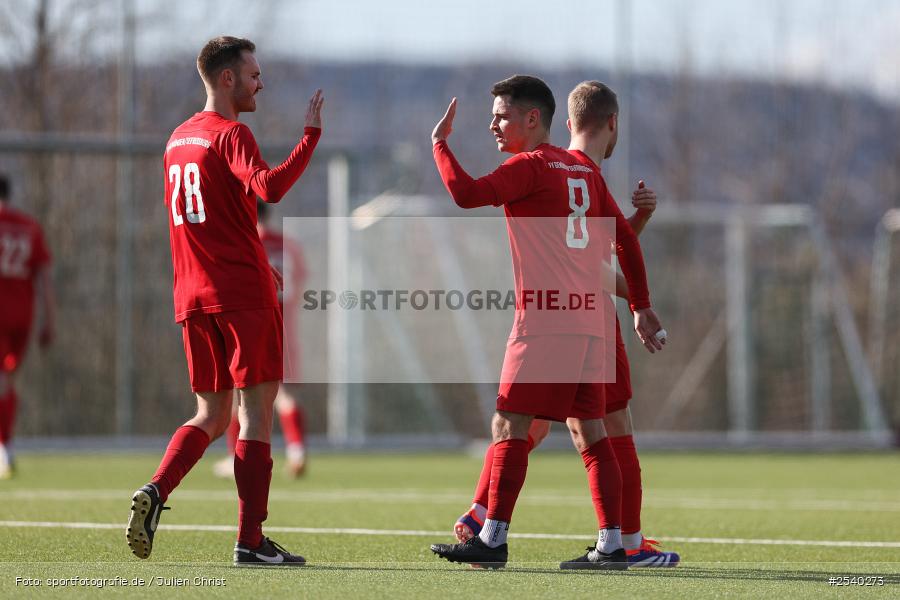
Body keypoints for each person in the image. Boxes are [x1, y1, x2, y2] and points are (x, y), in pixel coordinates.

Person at [428, 75, 664, 570]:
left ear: (533, 119)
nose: (492, 124)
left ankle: (490, 535)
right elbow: (624, 241)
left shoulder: (531, 166)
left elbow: (465, 194)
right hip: (588, 325)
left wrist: (439, 146)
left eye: (501, 115)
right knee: (593, 433)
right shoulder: (583, 172)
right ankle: (614, 543)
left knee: (510, 423)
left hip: (545, 318)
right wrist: (640, 306)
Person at [125, 36, 323, 567]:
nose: (261, 82)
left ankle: (157, 489)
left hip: (192, 294)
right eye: (254, 74)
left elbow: (213, 218)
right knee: (255, 414)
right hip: (241, 295)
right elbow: (270, 188)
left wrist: (256, 258)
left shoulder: (177, 139)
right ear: (228, 78)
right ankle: (250, 540)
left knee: (209, 413)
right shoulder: (232, 132)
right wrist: (310, 137)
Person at [213, 200, 309, 479]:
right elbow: (299, 282)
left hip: (252, 326)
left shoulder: (246, 243)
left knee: (240, 395)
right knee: (286, 394)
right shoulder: (288, 245)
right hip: (285, 326)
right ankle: (297, 450)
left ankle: (235, 456)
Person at [0, 175, 54, 479]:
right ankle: (5, 446)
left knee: (2, 384)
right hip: (23, 317)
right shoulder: (29, 227)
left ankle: (5, 450)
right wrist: (49, 321)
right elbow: (44, 277)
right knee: (6, 383)